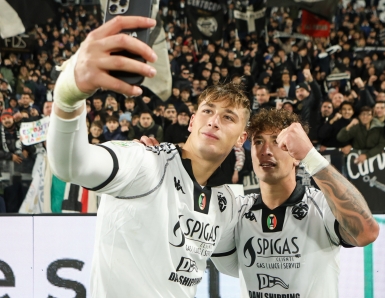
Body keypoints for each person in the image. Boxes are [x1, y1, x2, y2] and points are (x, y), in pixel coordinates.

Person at [46, 16, 251, 297]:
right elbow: (71, 165)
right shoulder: (147, 162)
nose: (214, 121)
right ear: (191, 122)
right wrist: (69, 92)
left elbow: (243, 264)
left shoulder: (224, 202)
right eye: (207, 111)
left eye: (228, 117)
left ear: (242, 138)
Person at [211, 109, 379, 297]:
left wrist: (311, 156)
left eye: (276, 141)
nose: (265, 151)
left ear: (295, 155)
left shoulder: (320, 206)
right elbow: (228, 267)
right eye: (258, 141)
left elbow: (367, 232)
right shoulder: (238, 210)